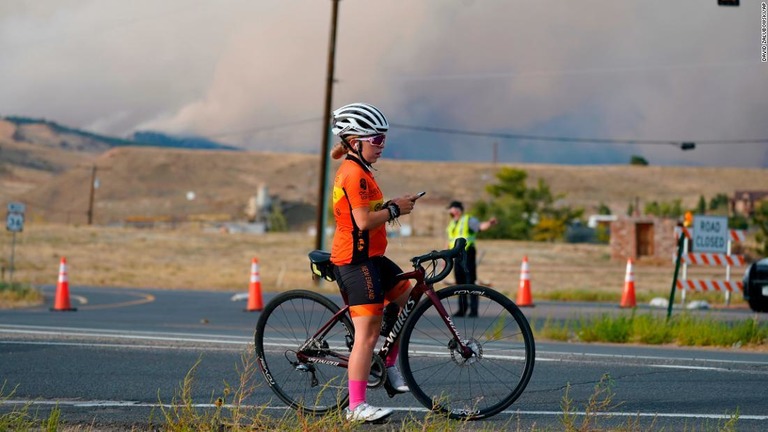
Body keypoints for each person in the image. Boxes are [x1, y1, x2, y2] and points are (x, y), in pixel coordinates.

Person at [329, 102, 420, 423]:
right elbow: (364, 221)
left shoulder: (362, 169)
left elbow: (370, 211)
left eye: (383, 138)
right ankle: (356, 406)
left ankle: (389, 361)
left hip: (373, 257)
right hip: (354, 261)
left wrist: (392, 203)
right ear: (356, 143)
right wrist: (396, 210)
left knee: (407, 300)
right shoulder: (353, 173)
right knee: (366, 335)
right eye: (377, 140)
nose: (382, 146)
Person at [446, 200, 497, 317]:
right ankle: (462, 309)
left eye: (451, 209)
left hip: (467, 253)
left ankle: (473, 310)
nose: (449, 211)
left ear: (457, 210)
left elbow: (480, 227)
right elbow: (449, 240)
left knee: (470, 281)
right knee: (459, 283)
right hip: (456, 255)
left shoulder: (467, 220)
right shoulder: (452, 223)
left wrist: (489, 223)